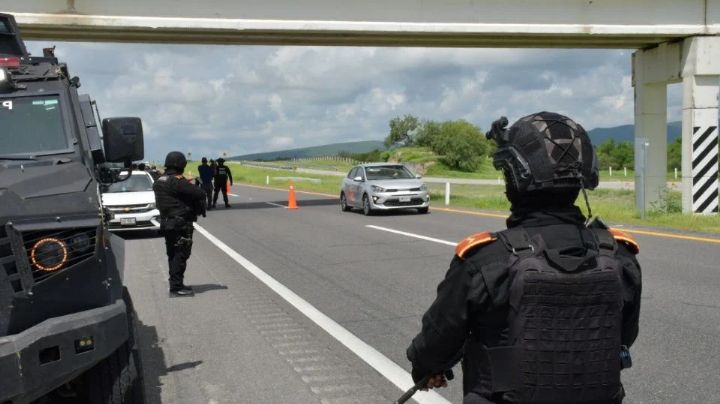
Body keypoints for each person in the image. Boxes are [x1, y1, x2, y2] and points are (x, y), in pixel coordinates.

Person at [405, 112, 642, 403]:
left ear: (514, 177)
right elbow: (624, 337)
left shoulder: (486, 259)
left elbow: (438, 339)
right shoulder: (619, 255)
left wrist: (425, 367)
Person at [153, 151, 207, 297]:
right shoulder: (177, 181)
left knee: (172, 253)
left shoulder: (160, 180)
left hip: (167, 222)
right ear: (180, 164)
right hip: (180, 223)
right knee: (180, 254)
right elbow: (199, 193)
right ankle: (176, 287)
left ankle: (176, 284)